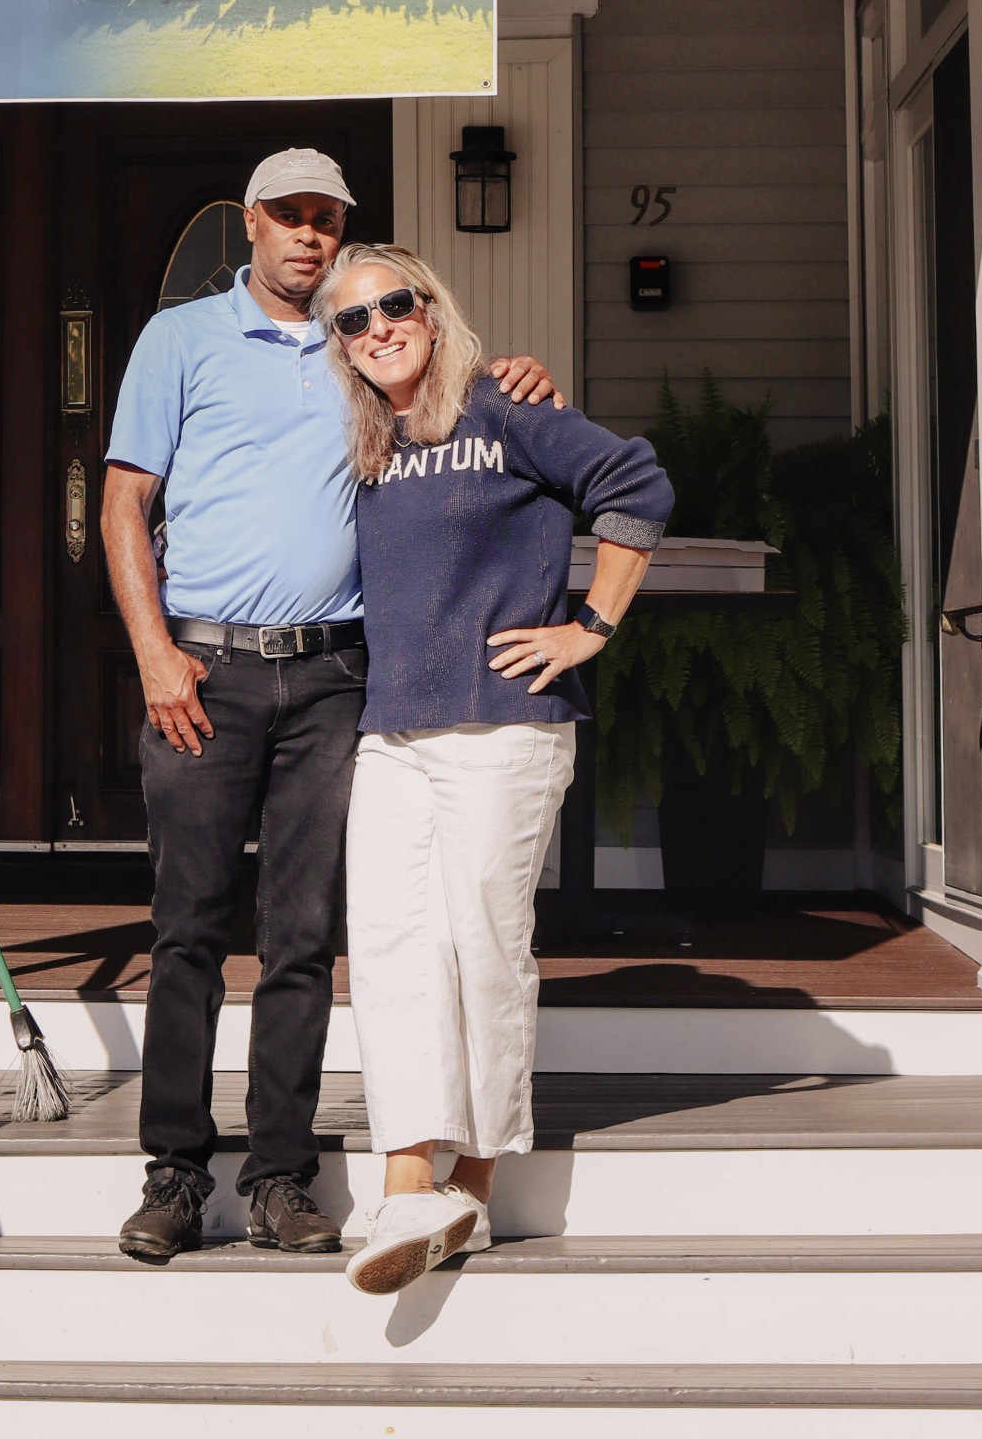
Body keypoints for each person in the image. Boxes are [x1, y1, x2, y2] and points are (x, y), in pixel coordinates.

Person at [102, 153, 558, 1266]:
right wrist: (155, 654)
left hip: (334, 677)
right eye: (292, 218)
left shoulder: (365, 337)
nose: (310, 237)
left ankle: (279, 1177)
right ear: (249, 223)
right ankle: (173, 1173)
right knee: (189, 932)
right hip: (203, 672)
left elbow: (453, 400)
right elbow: (124, 502)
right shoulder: (180, 339)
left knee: (301, 937)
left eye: (329, 220)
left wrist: (519, 378)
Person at [310, 243, 671, 1296]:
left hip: (504, 724)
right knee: (386, 946)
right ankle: (407, 1181)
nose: (377, 326)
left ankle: (472, 1178)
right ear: (338, 345)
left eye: (393, 304)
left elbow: (635, 482)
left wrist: (590, 624)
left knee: (481, 942)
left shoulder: (500, 405)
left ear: (431, 304)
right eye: (352, 319)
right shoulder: (372, 441)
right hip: (397, 728)